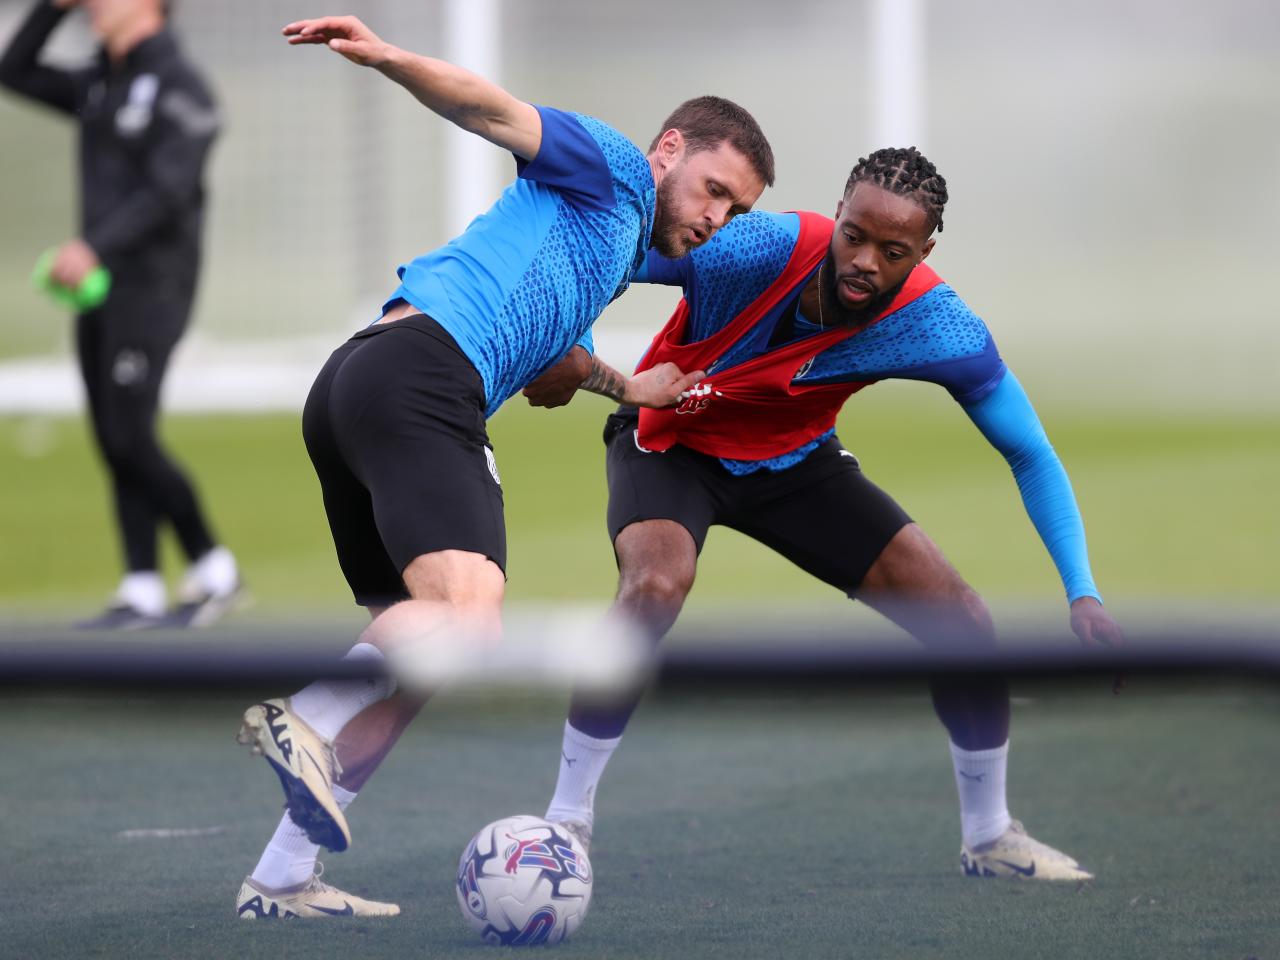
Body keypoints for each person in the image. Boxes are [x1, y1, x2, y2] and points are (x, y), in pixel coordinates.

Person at [230, 15, 774, 919]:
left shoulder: (607, 244)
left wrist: (625, 385)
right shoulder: (610, 167)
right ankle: (307, 716)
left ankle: (281, 878)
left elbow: (557, 370)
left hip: (359, 385)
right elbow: (490, 110)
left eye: (737, 210)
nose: (718, 218)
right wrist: (390, 57)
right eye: (715, 190)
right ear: (668, 150)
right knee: (470, 621)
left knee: (421, 649)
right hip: (422, 378)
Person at [526, 146, 1125, 881]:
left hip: (796, 463)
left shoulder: (937, 324)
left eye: (893, 250)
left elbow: (1030, 453)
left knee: (963, 621)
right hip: (671, 442)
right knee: (654, 587)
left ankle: (990, 834)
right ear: (837, 214)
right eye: (855, 235)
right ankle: (567, 821)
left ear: (925, 251)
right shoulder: (758, 247)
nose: (866, 260)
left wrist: (1082, 588)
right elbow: (609, 259)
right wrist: (580, 354)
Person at [0, 0, 242, 629]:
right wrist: (51, 9)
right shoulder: (98, 83)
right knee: (112, 437)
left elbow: (171, 190)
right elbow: (13, 68)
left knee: (133, 435)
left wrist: (94, 246)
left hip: (154, 286)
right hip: (97, 286)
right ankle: (141, 588)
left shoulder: (182, 87)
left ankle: (214, 566)